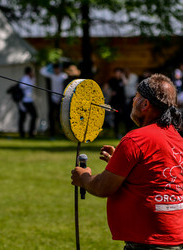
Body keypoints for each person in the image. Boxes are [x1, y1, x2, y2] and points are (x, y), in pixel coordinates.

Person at [71, 73, 183, 249]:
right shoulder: (177, 137)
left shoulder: (136, 139)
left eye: (137, 97)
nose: (133, 100)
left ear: (145, 104)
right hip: (176, 238)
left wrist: (83, 177)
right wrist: (123, 165)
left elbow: (102, 187)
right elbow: (159, 176)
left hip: (149, 243)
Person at [40, 63, 67, 138]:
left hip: (61, 99)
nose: (56, 70)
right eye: (55, 69)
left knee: (61, 117)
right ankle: (52, 133)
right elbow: (42, 71)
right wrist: (49, 65)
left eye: (57, 68)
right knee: (51, 116)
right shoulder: (52, 75)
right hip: (53, 98)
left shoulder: (63, 76)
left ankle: (63, 132)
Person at [17, 66, 37, 138]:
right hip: (24, 101)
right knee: (23, 117)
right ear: (29, 72)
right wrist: (29, 84)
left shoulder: (31, 78)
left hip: (29, 100)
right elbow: (22, 87)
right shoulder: (25, 78)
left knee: (34, 116)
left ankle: (31, 133)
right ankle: (22, 134)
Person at [108, 67, 126, 139]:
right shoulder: (112, 80)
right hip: (115, 102)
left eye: (119, 73)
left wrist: (123, 76)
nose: (117, 74)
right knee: (116, 117)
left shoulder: (122, 80)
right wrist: (110, 93)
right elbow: (106, 88)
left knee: (123, 116)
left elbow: (125, 83)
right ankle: (117, 133)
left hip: (122, 101)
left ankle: (124, 132)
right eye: (116, 73)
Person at [123, 68, 139, 132]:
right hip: (126, 98)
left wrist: (123, 77)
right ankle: (127, 128)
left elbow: (127, 83)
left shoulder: (133, 76)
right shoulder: (125, 77)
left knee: (132, 113)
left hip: (133, 97)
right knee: (126, 114)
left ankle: (132, 127)